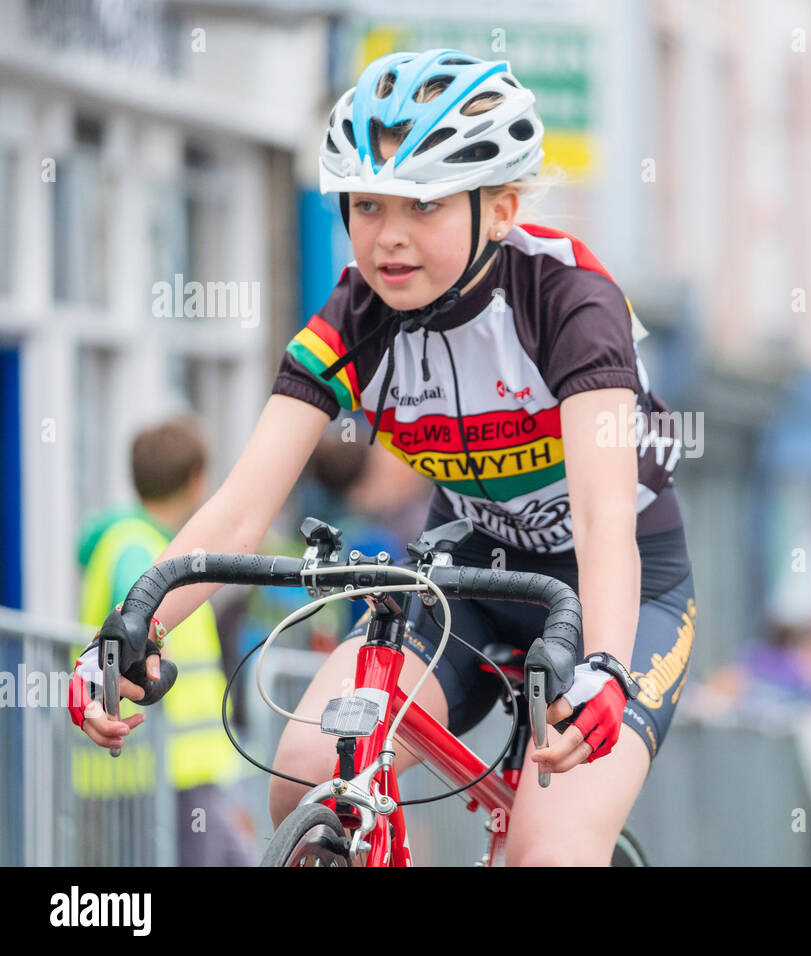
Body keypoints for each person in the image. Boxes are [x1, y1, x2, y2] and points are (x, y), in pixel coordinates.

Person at [72, 48, 696, 866]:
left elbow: (603, 517)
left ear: (502, 207)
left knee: (546, 852)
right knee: (304, 778)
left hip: (618, 583)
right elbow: (241, 508)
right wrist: (120, 635)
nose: (388, 238)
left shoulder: (568, 299)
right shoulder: (355, 316)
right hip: (468, 575)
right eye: (365, 205)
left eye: (423, 206)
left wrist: (607, 666)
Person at [71, 418, 251, 866]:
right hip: (159, 770)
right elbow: (127, 627)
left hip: (175, 768)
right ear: (196, 479)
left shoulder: (147, 542)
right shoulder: (140, 547)